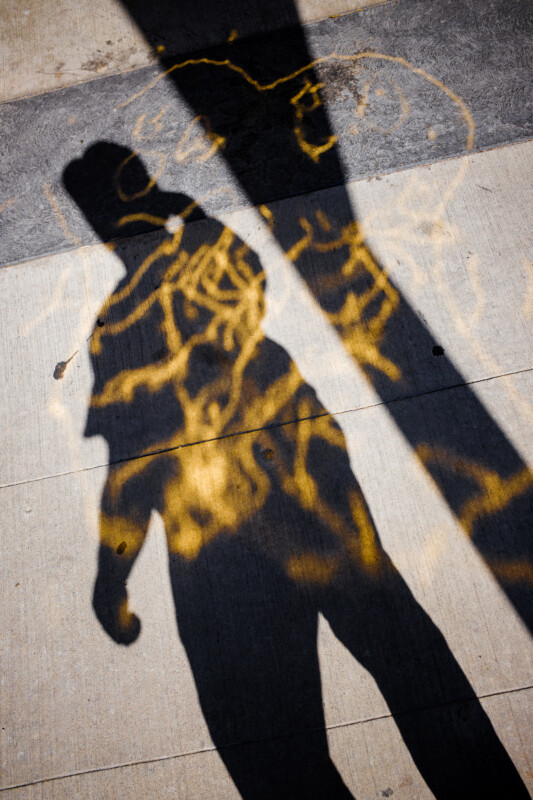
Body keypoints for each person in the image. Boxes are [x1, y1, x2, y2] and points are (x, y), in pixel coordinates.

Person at [64, 143, 529, 799]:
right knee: (409, 665)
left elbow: (129, 467)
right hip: (309, 497)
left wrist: (111, 575)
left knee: (274, 746)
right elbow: (250, 280)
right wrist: (180, 208)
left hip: (220, 541)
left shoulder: (116, 327)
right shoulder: (195, 270)